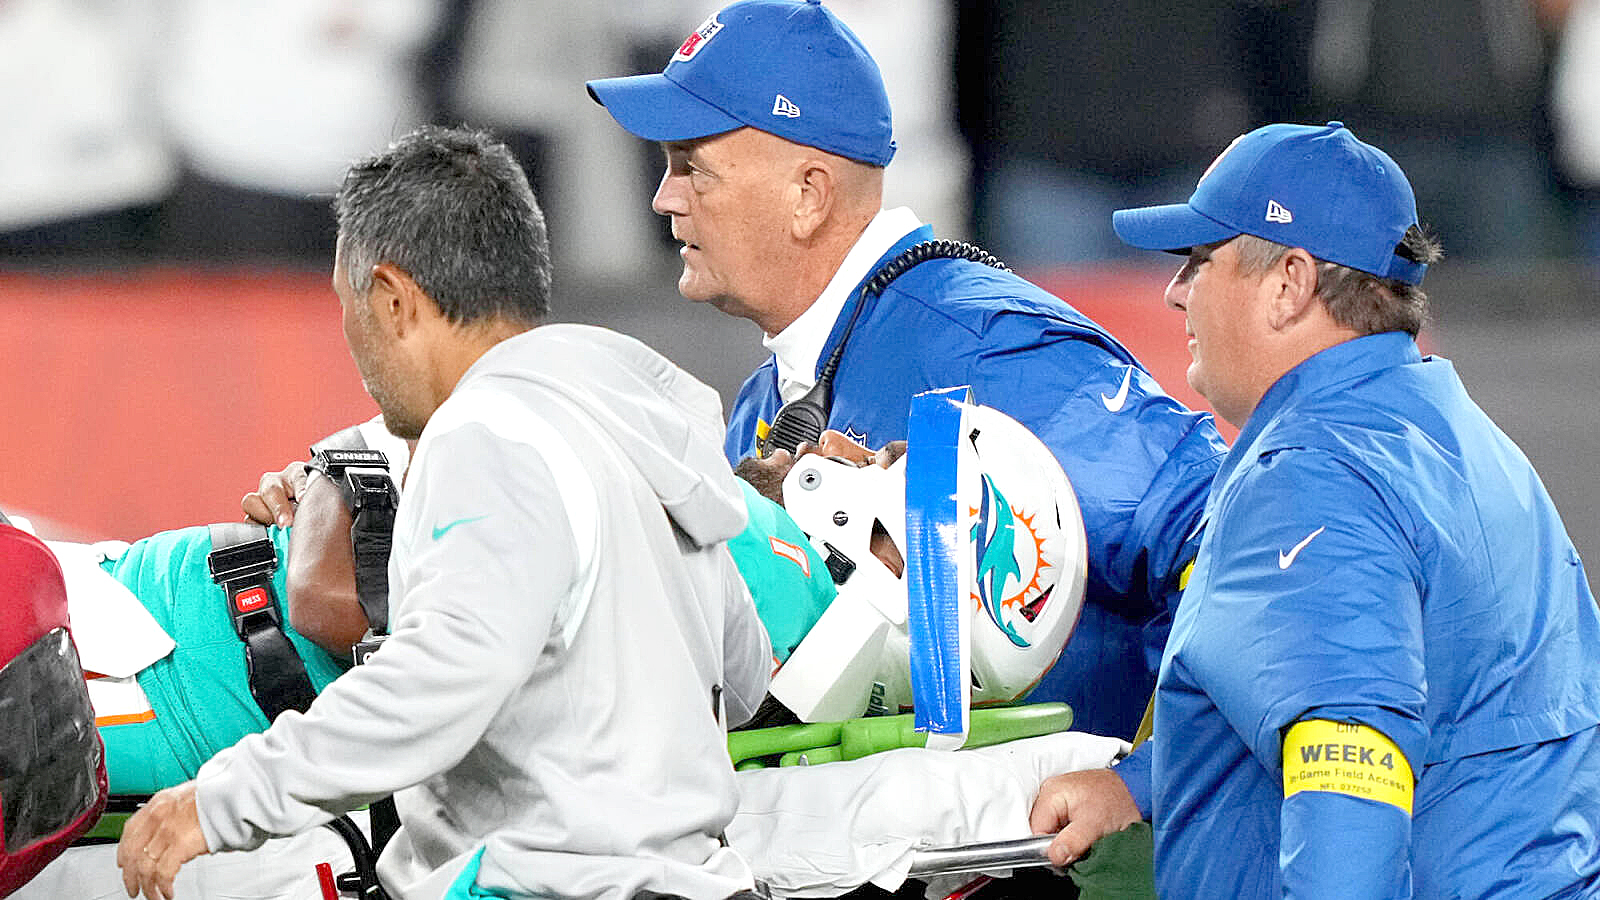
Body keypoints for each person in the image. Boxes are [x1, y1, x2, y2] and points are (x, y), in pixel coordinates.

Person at [116, 125, 772, 900]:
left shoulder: (486, 432)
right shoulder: (632, 425)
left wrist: (221, 800)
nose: (350, 342)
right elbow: (744, 671)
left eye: (346, 304)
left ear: (394, 299)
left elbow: (440, 680)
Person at [586, 0, 1227, 740]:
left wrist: (1146, 789)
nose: (664, 198)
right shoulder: (769, 397)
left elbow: (1227, 539)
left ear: (808, 194)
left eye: (692, 168)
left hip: (1048, 852)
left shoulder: (987, 348)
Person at [1029, 121, 1600, 897]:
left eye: (1200, 261)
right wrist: (1144, 787)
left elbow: (1351, 784)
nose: (1174, 291)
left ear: (1291, 282)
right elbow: (1377, 690)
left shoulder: (1312, 476)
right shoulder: (1460, 433)